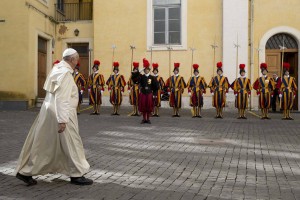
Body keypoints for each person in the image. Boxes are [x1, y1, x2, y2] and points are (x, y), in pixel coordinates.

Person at [14, 48, 93, 186]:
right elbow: (62, 98)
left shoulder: (57, 69)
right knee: (72, 143)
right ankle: (76, 174)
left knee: (43, 144)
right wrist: (63, 120)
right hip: (63, 113)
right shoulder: (65, 74)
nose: (78, 61)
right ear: (73, 59)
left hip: (48, 112)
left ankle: (25, 172)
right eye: (77, 59)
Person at [138, 58, 159, 124]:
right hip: (143, 93)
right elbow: (134, 76)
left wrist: (155, 94)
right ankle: (144, 119)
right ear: (144, 70)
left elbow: (156, 87)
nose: (146, 70)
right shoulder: (141, 77)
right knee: (143, 106)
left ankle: (148, 119)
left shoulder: (152, 77)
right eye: (145, 69)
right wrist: (141, 69)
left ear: (149, 70)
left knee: (149, 106)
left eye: (147, 69)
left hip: (149, 93)